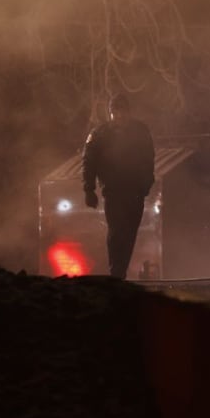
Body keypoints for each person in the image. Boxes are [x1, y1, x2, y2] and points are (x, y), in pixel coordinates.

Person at [82, 92, 156, 279]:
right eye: (116, 111)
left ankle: (119, 272)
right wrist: (89, 189)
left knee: (130, 232)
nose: (120, 115)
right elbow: (89, 162)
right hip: (113, 192)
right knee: (116, 232)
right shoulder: (99, 134)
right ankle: (116, 272)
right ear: (110, 112)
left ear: (128, 111)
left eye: (123, 110)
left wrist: (146, 182)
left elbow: (148, 158)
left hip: (135, 191)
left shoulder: (140, 131)